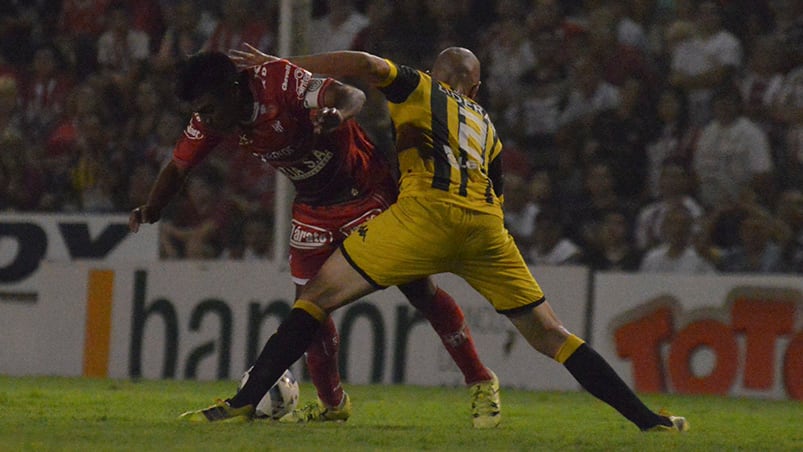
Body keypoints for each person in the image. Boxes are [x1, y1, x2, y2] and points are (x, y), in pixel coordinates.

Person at [188, 44, 689, 432]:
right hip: (486, 228)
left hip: (425, 216)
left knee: (317, 297)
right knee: (550, 335)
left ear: (438, 72)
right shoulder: (488, 125)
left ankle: (241, 402)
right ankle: (649, 420)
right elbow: (496, 187)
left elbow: (360, 63)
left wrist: (281, 64)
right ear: (477, 85)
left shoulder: (419, 87)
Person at [129, 51, 499, 427]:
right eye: (200, 112)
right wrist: (152, 208)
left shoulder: (279, 82)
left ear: (234, 89)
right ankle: (333, 405)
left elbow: (351, 94)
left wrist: (338, 114)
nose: (205, 120)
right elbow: (178, 167)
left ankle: (480, 380)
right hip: (313, 209)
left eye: (209, 109)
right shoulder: (211, 118)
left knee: (418, 290)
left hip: (367, 193)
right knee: (309, 311)